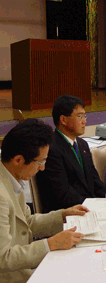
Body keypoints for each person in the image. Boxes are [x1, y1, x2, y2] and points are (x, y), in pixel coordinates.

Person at [0, 118, 88, 283]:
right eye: (40, 162)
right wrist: (50, 244)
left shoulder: (11, 178)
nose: (43, 168)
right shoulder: (1, 196)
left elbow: (27, 222)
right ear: (18, 160)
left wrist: (62, 215)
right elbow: (3, 258)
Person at [36, 95, 106, 213]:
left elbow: (94, 180)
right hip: (68, 213)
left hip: (88, 207)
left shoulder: (82, 144)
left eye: (85, 116)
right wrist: (94, 207)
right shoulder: (51, 149)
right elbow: (62, 194)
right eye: (80, 116)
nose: (85, 121)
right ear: (63, 120)